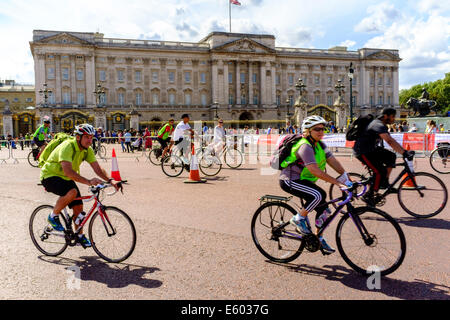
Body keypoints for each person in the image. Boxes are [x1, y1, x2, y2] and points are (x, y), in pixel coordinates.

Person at [280, 115, 352, 255]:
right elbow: (314, 169)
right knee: (319, 195)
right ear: (307, 131)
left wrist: (346, 177)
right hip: (290, 180)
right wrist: (337, 183)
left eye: (322, 129)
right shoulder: (305, 146)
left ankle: (318, 238)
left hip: (304, 181)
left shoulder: (320, 145)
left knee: (324, 210)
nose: (321, 132)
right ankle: (298, 219)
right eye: (317, 129)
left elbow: (332, 161)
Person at [40, 124, 120, 248]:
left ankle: (80, 236)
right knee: (71, 192)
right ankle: (53, 216)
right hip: (49, 175)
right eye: (87, 137)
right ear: (78, 137)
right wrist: (89, 182)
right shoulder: (68, 146)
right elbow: (68, 171)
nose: (90, 140)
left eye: (91, 137)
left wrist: (111, 180)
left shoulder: (87, 149)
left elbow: (97, 169)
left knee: (79, 208)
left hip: (66, 178)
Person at [353, 107, 414, 204]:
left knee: (391, 156)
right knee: (379, 171)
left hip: (371, 149)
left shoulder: (381, 125)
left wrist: (403, 151)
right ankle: (369, 195)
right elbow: (389, 141)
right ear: (386, 116)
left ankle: (385, 182)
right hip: (362, 151)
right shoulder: (378, 124)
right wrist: (404, 152)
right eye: (393, 116)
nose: (394, 119)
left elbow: (390, 139)